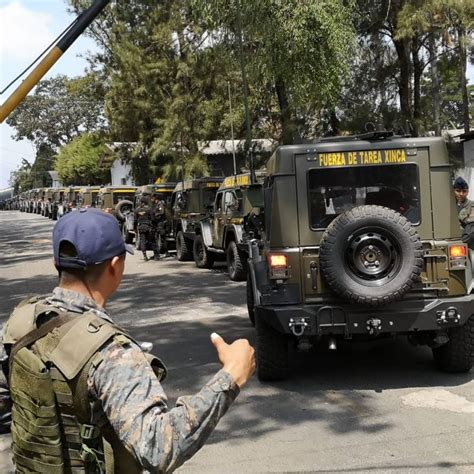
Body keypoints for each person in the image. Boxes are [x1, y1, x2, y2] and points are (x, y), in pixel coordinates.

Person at [1, 208, 255, 473]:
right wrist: (231, 377)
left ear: (57, 264)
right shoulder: (110, 352)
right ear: (116, 265)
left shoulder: (20, 322)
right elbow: (158, 447)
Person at [134, 196, 158, 261]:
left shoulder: (137, 210)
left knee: (143, 242)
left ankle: (145, 257)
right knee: (152, 241)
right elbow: (153, 219)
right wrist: (155, 226)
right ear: (146, 202)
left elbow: (135, 221)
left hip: (141, 228)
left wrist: (135, 229)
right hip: (149, 227)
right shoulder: (149, 209)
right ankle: (156, 256)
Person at [453, 176, 474, 249]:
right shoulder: (450, 206)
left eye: (464, 191)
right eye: (458, 191)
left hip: (467, 244)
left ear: (467, 192)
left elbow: (471, 229)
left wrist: (461, 242)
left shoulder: (471, 205)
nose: (461, 194)